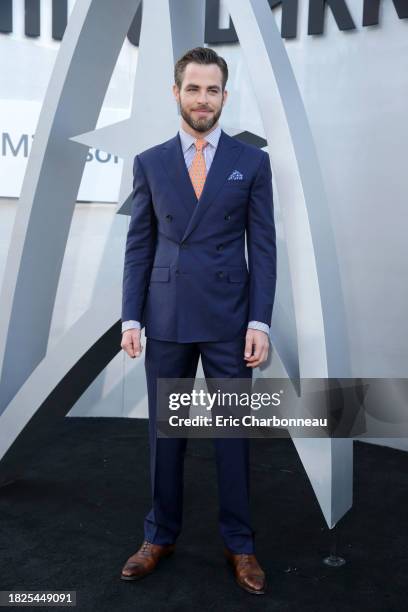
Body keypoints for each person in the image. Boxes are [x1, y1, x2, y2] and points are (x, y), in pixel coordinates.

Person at [120, 46, 276, 595]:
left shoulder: (251, 162)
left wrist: (261, 322)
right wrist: (130, 317)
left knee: (232, 434)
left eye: (213, 90)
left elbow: (264, 247)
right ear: (176, 93)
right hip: (164, 317)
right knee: (168, 435)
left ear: (224, 96)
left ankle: (240, 544)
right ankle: (159, 534)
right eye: (193, 88)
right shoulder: (151, 161)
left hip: (231, 320)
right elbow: (139, 245)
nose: (203, 99)